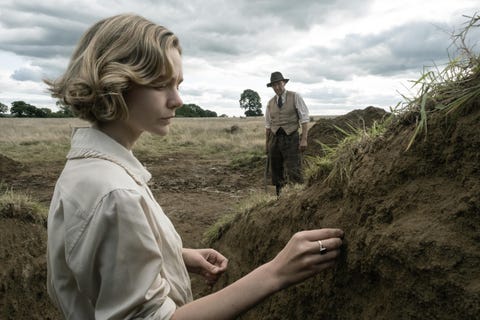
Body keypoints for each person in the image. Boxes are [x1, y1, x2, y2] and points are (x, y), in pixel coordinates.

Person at [45, 14, 344, 320]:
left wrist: (174, 255)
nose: (177, 100)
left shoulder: (87, 169)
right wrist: (276, 273)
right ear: (116, 83)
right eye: (161, 84)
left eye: (178, 84)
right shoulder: (115, 194)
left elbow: (99, 263)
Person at [265, 71, 310, 196]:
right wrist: (267, 144)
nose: (277, 87)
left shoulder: (295, 97)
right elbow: (268, 125)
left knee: (294, 168)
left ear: (284, 83)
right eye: (274, 85)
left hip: (291, 137)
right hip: (274, 139)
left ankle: (298, 196)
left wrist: (304, 139)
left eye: (279, 84)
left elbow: (304, 119)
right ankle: (280, 198)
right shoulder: (270, 103)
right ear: (272, 87)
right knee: (276, 170)